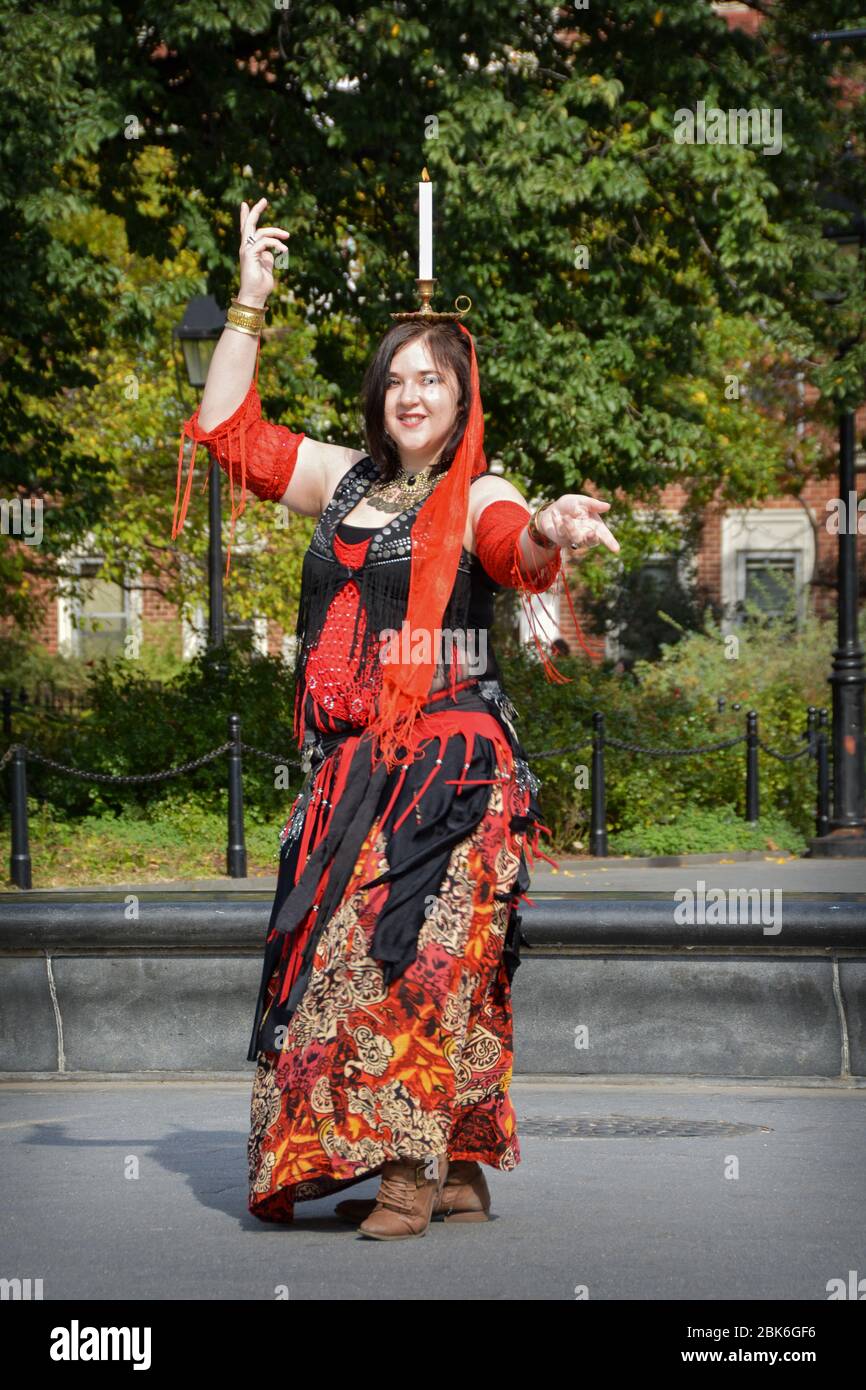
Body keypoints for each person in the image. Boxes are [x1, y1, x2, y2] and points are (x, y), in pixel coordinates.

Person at [171, 196, 620, 1241]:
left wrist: (552, 526)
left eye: (433, 380)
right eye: (398, 379)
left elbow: (515, 549)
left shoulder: (476, 489)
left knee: (407, 951)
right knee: (347, 951)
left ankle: (412, 1169)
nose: (412, 394)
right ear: (377, 397)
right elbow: (227, 437)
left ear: (460, 400)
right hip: (347, 768)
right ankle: (459, 1161)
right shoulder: (341, 480)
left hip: (453, 760)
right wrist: (248, 300)